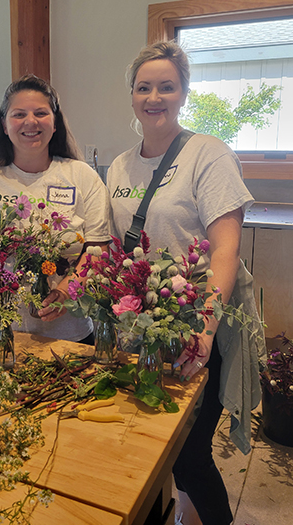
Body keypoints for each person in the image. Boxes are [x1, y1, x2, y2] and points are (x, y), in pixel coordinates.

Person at [107, 42, 266, 525]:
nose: (155, 96)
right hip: (140, 327)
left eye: (167, 86)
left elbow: (225, 250)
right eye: (144, 86)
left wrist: (206, 325)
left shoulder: (209, 154)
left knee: (189, 456)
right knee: (151, 443)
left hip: (197, 326)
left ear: (184, 93)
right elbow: (118, 250)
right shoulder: (118, 166)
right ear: (131, 95)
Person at [0, 74, 111, 343]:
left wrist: (64, 292)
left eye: (41, 113)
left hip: (63, 336)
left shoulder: (82, 177)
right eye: (19, 114)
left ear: (55, 122)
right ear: (4, 124)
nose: (30, 122)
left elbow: (98, 251)